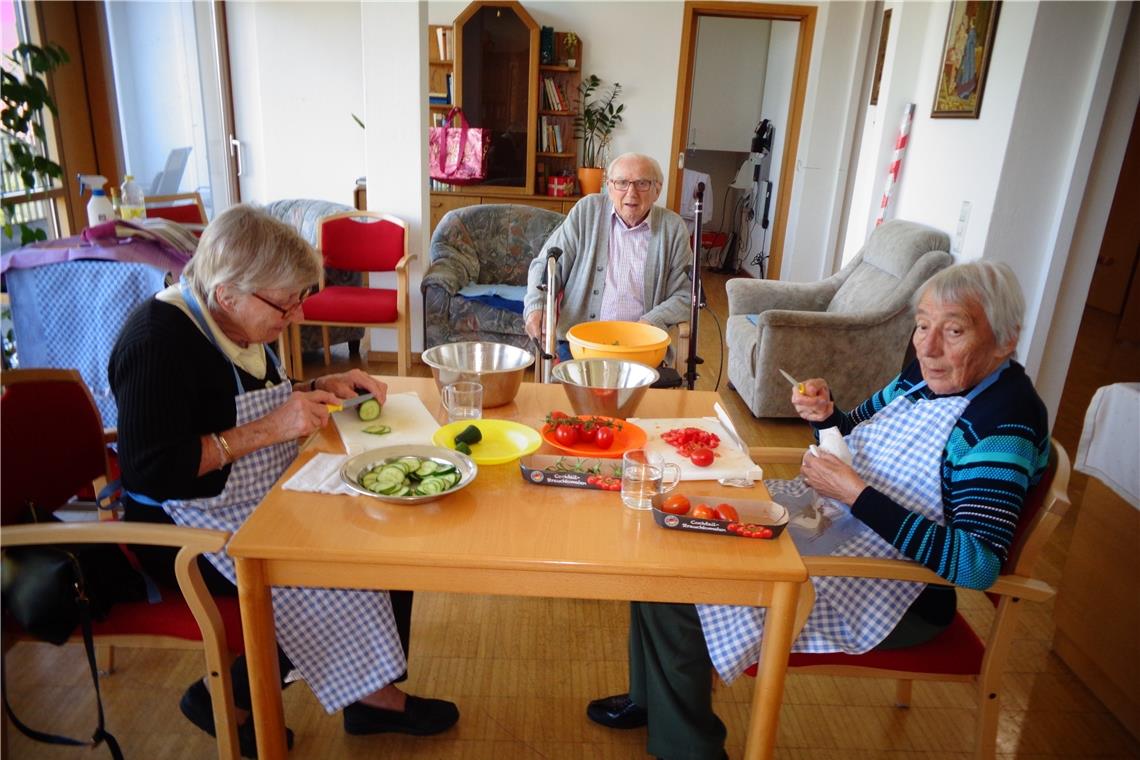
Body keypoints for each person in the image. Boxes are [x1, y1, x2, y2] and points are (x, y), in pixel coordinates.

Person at [585, 261, 1051, 760]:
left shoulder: (1004, 425)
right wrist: (827, 416)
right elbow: (852, 434)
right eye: (921, 325)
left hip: (895, 591)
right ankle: (654, 698)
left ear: (1005, 340)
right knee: (667, 541)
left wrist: (856, 496)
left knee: (681, 586)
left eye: (954, 330)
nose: (928, 346)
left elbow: (977, 565)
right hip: (834, 528)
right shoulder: (924, 376)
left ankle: (689, 748)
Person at [109, 205, 458, 756]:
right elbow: (151, 467)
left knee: (384, 531)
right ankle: (223, 697)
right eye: (285, 303)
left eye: (300, 299)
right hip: (183, 523)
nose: (295, 316)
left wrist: (320, 383)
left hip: (252, 493)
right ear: (228, 293)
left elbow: (241, 396)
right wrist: (273, 426)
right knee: (319, 580)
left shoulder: (229, 321)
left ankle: (373, 695)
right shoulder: (156, 343)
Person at [523, 152, 692, 360]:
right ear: (609, 187)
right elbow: (545, 265)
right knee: (577, 390)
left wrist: (650, 322)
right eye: (622, 183)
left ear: (657, 190)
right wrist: (535, 307)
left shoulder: (673, 228)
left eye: (642, 184)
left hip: (641, 348)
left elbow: (686, 296)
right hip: (579, 344)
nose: (631, 193)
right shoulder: (587, 211)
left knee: (636, 393)